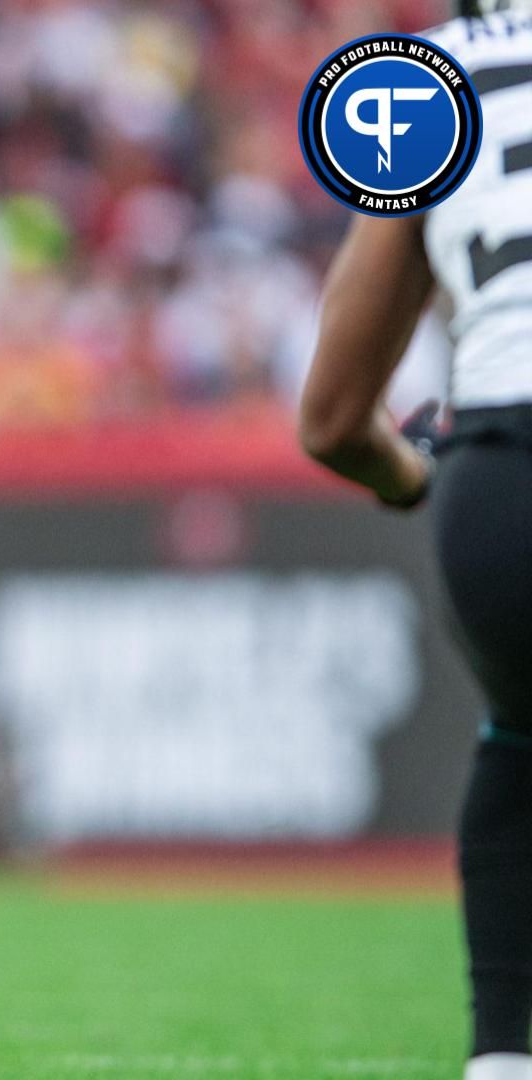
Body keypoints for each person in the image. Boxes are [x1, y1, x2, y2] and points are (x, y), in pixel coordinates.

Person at [299, 4, 532, 1079]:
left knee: (521, 741)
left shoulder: (427, 76)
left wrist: (414, 480)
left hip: (500, 475)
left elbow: (336, 419)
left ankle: (502, 1056)